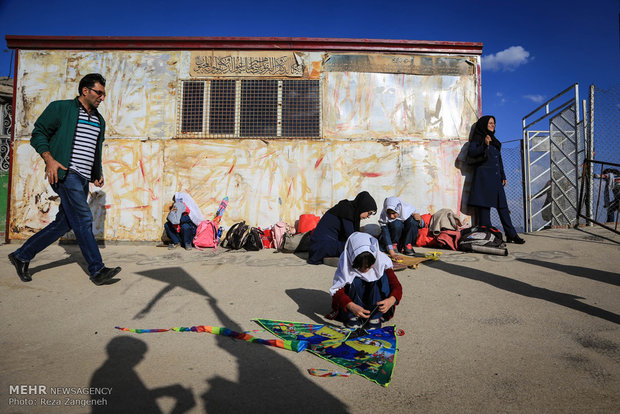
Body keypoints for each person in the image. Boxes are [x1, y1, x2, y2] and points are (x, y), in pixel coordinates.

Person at [8, 73, 121, 285]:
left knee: (64, 224)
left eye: (104, 94)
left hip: (83, 178)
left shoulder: (99, 119)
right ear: (85, 91)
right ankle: (97, 270)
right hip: (66, 173)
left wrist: (96, 174)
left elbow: (93, 150)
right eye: (99, 93)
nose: (102, 98)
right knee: (84, 219)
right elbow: (39, 133)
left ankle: (21, 255)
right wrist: (49, 159)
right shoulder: (61, 108)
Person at [467, 115, 525, 244]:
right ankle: (488, 237)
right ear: (483, 125)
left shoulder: (495, 141)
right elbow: (471, 154)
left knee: (503, 207)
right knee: (484, 209)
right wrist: (484, 144)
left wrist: (503, 175)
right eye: (490, 123)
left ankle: (511, 235)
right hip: (483, 180)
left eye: (494, 123)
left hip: (496, 179)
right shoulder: (478, 139)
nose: (493, 125)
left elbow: (499, 160)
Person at [329, 232, 402, 329]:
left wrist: (391, 300)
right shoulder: (346, 264)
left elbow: (396, 286)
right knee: (355, 280)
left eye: (368, 266)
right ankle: (352, 316)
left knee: (382, 277)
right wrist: (351, 306)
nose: (365, 270)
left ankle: (375, 317)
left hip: (375, 303)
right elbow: (338, 291)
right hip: (354, 304)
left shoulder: (382, 263)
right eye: (359, 266)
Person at [307, 191, 377, 264]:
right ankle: (336, 259)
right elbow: (352, 238)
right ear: (363, 207)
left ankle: (336, 258)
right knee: (354, 249)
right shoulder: (346, 210)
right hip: (320, 247)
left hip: (323, 246)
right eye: (369, 213)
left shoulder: (351, 211)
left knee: (356, 248)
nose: (369, 216)